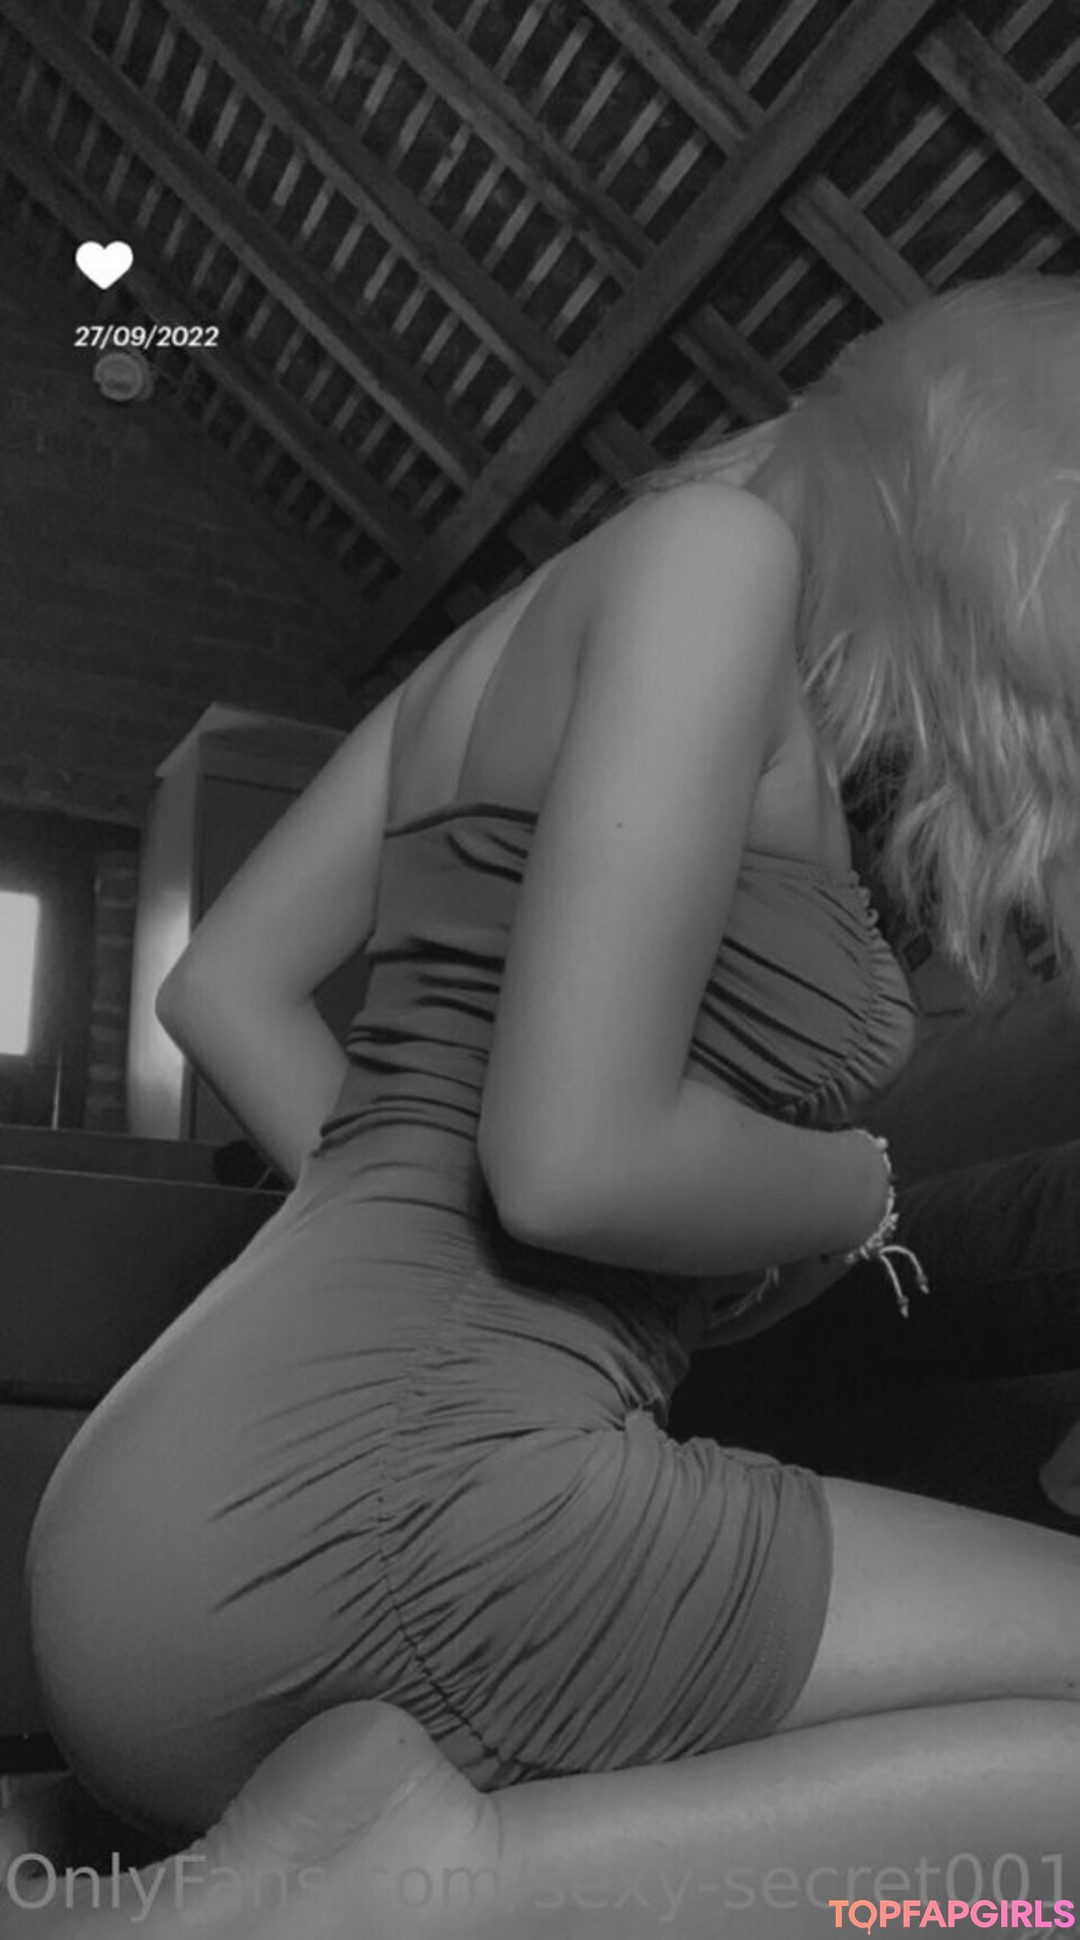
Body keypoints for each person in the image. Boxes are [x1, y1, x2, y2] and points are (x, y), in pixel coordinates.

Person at [7, 272, 1080, 1940]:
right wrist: (847, 1191)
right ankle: (408, 1894)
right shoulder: (719, 569)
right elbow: (568, 1165)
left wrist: (433, 1242)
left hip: (149, 1522)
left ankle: (359, 1872)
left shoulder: (524, 633)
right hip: (407, 1516)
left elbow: (220, 985)